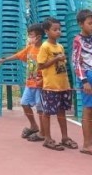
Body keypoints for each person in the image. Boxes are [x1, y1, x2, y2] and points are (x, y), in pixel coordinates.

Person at [0, 24, 45, 142]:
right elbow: (18, 55)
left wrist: (43, 80)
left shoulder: (44, 49)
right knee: (24, 103)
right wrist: (3, 60)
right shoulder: (30, 47)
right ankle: (34, 126)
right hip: (30, 83)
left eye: (31, 35)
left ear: (38, 37)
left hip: (41, 84)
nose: (29, 38)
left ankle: (43, 132)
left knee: (40, 108)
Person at [37, 17, 78, 151]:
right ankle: (47, 138)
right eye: (55, 30)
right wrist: (56, 59)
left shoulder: (60, 46)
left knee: (62, 111)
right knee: (47, 112)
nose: (58, 32)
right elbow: (41, 65)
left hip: (62, 85)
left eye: (59, 29)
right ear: (46, 31)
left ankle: (65, 137)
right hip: (51, 86)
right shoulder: (45, 46)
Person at [71, 9, 92, 156]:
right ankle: (86, 144)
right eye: (90, 23)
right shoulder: (78, 40)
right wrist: (84, 81)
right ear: (80, 24)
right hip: (87, 76)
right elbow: (75, 62)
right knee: (88, 110)